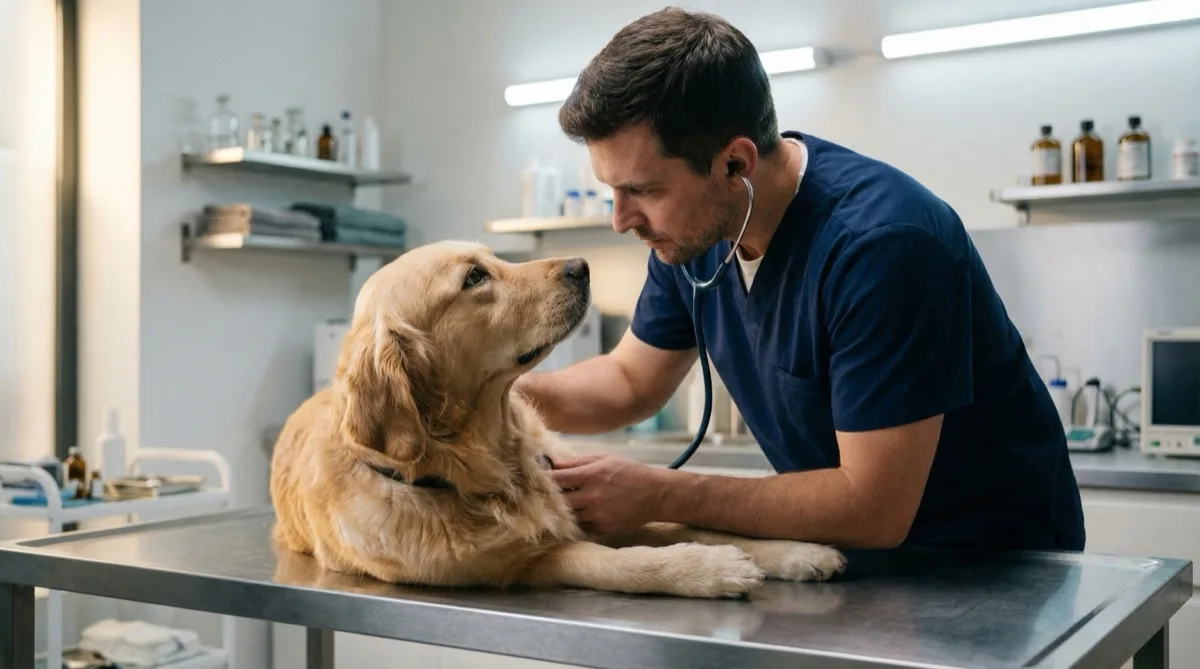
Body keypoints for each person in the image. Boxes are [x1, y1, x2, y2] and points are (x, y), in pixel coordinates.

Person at [513, 7, 1085, 552]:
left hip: (993, 563)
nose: (620, 220)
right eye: (612, 191)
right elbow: (629, 381)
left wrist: (662, 493)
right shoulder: (695, 236)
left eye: (642, 190)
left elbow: (873, 506)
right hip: (861, 561)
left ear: (735, 165)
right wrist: (492, 391)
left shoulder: (882, 246)